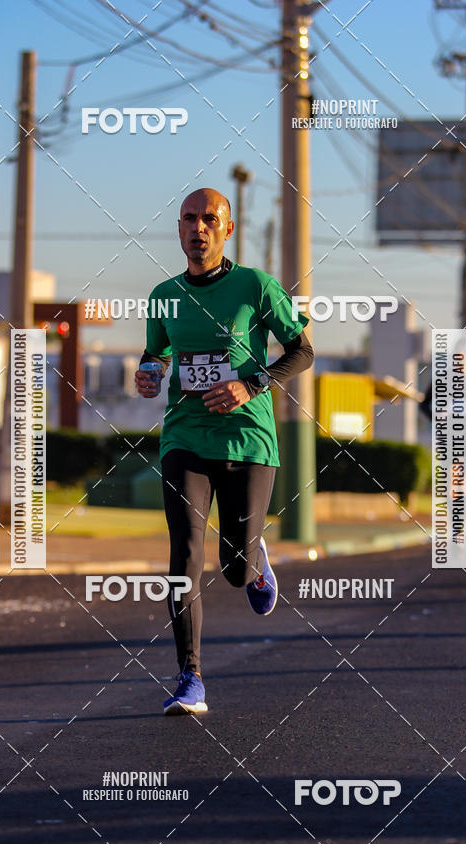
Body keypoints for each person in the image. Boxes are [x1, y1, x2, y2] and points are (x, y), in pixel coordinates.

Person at [135, 187, 314, 715]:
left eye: (209, 219)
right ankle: (190, 678)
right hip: (185, 438)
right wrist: (149, 374)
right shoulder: (162, 294)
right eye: (188, 219)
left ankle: (256, 566)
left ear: (227, 229)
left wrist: (250, 384)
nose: (198, 228)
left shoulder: (255, 287)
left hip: (249, 440)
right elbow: (155, 352)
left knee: (234, 566)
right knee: (184, 553)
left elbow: (302, 350)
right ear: (180, 228)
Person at [421, 345, 466, 499]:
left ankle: (464, 486)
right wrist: (436, 418)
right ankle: (453, 497)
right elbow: (424, 403)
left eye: (462, 358)